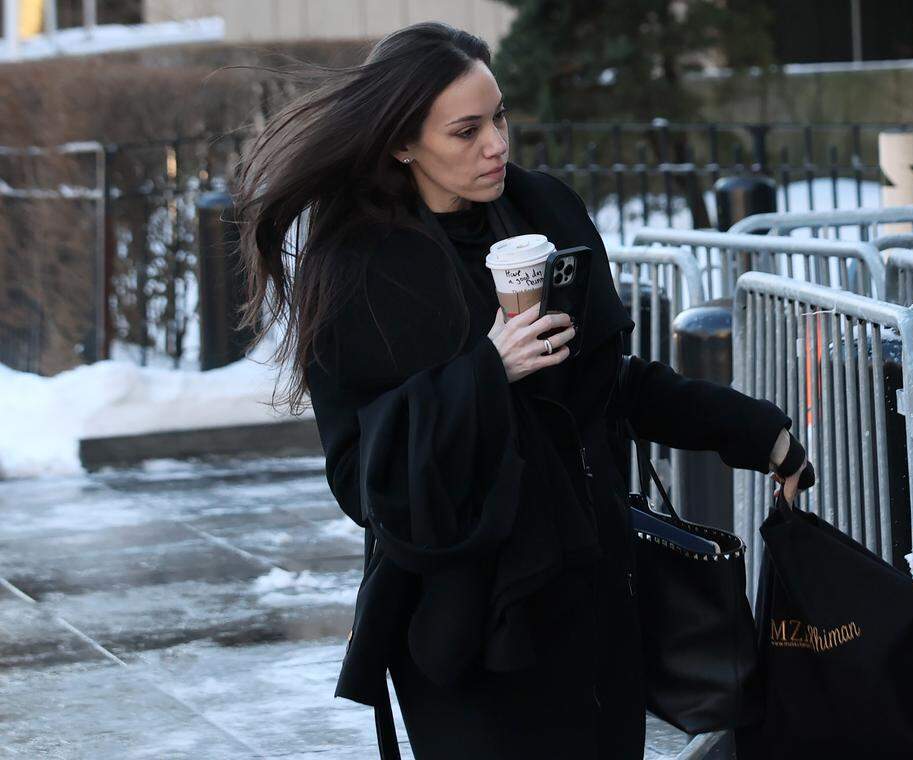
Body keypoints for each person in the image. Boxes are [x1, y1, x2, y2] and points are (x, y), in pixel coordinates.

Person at [233, 21, 813, 760]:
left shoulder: (545, 214)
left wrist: (754, 431)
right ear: (403, 145)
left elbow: (607, 384)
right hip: (462, 621)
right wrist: (485, 371)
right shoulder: (360, 274)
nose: (495, 144)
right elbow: (362, 477)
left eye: (499, 117)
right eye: (466, 131)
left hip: (591, 595)